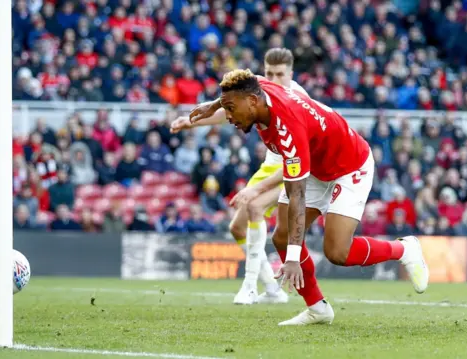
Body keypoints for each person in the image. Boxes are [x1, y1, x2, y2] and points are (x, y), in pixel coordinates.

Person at [187, 67, 429, 325]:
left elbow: (296, 197)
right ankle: (318, 309)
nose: (230, 117)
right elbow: (250, 80)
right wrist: (213, 107)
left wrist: (292, 260)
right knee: (281, 237)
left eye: (231, 109)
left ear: (253, 101)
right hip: (315, 164)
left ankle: (404, 248)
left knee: (338, 252)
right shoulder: (256, 89)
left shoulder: (287, 129)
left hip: (349, 166)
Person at [171, 48, 301, 305]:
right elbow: (229, 109)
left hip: (294, 167)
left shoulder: (297, 98)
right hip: (271, 165)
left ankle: (250, 285)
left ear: (291, 74)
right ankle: (273, 290)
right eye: (269, 73)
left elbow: (296, 159)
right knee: (236, 227)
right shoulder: (259, 90)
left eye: (280, 74)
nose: (274, 79)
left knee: (255, 206)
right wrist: (191, 121)